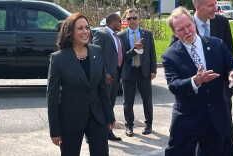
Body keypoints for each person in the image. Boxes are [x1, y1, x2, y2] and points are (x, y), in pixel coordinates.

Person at [162, 7, 233, 156]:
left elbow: (230, 65)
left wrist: (232, 74)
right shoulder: (170, 56)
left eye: (189, 26)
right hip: (187, 119)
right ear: (174, 33)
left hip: (215, 119)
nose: (187, 31)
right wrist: (194, 81)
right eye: (180, 29)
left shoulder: (217, 44)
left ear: (194, 23)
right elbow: (174, 85)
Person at [46, 13, 115, 156]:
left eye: (87, 28)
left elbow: (102, 87)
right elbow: (52, 96)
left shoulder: (97, 51)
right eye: (80, 28)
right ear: (70, 32)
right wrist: (55, 129)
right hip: (70, 119)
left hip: (97, 117)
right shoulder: (58, 59)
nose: (85, 32)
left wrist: (109, 115)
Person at [191, 0, 233, 155]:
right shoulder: (186, 25)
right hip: (197, 94)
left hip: (221, 92)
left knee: (226, 134)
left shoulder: (222, 22)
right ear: (198, 7)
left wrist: (231, 73)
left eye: (215, 3)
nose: (216, 8)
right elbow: (177, 57)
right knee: (200, 136)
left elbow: (229, 55)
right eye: (211, 5)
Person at [117, 8, 157, 137]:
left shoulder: (147, 34)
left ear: (139, 19)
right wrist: (134, 50)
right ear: (126, 20)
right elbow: (121, 57)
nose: (132, 20)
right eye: (129, 18)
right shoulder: (121, 36)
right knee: (128, 101)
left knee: (147, 99)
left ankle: (148, 124)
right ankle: (129, 126)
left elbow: (152, 53)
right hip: (128, 72)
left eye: (134, 18)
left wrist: (153, 70)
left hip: (143, 71)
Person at [92, 13, 123, 141]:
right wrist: (105, 72)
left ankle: (107, 131)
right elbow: (95, 53)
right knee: (100, 104)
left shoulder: (117, 37)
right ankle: (92, 133)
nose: (122, 24)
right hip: (106, 76)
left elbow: (119, 55)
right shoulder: (102, 34)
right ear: (113, 22)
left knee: (110, 104)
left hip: (116, 75)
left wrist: (134, 51)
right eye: (120, 21)